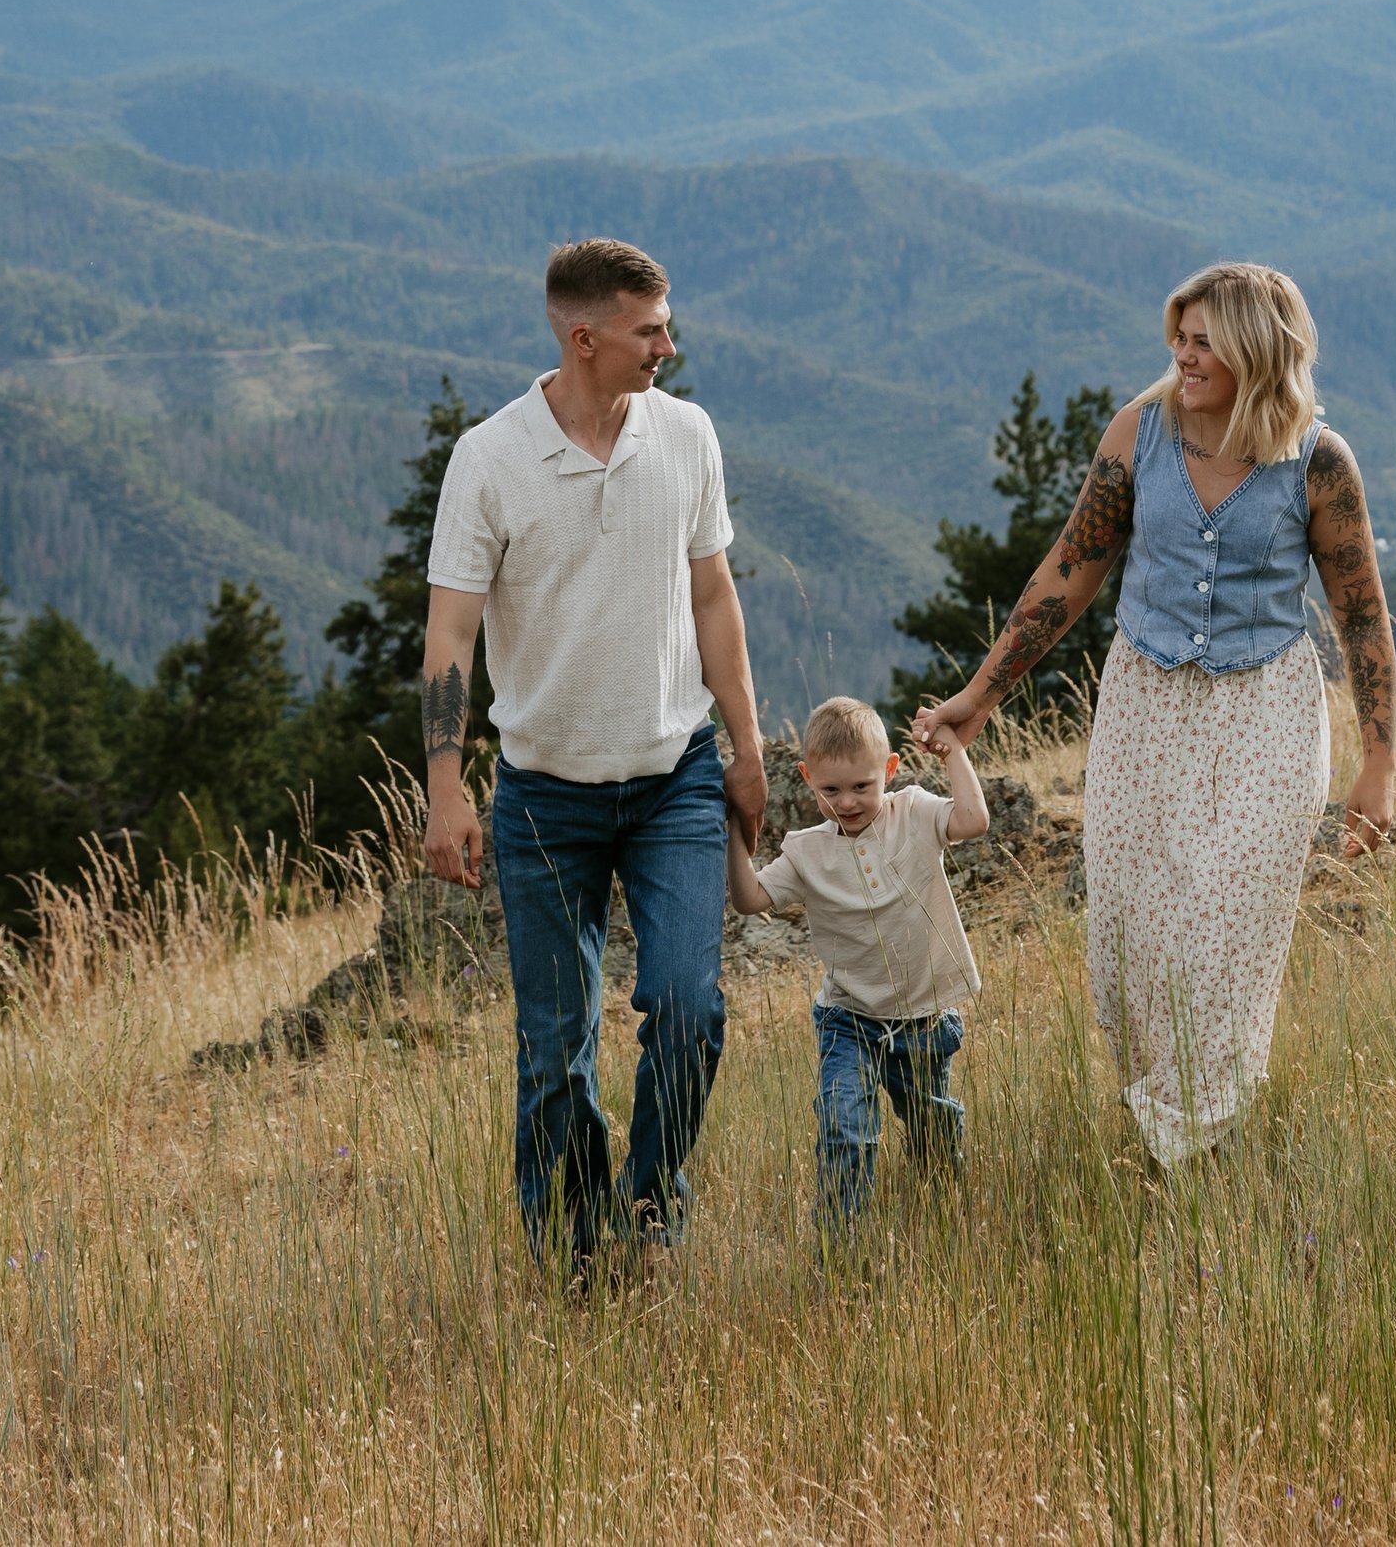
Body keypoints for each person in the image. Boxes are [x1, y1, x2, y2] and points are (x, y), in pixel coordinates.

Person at [914, 262, 1396, 1168]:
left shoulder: (1319, 462)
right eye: (1180, 335)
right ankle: (1174, 1130)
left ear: (1259, 351)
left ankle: (1197, 1154)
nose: (1183, 354)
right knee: (1129, 941)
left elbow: (1361, 612)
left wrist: (1379, 764)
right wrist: (980, 696)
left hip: (1267, 718)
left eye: (1205, 340)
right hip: (1143, 711)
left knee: (1223, 943)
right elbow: (1070, 568)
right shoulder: (1140, 433)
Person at [421, 235, 768, 1271]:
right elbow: (449, 637)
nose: (669, 345)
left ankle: (649, 1214)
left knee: (690, 1009)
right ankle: (573, 1251)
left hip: (675, 780)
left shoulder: (687, 433)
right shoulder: (489, 458)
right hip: (543, 798)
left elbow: (714, 595)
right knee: (554, 1049)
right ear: (584, 339)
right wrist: (446, 791)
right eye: (649, 330)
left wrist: (747, 744)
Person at [725, 694, 989, 1228]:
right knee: (844, 1128)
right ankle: (841, 1237)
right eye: (831, 790)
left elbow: (973, 819)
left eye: (862, 787)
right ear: (807, 778)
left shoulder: (913, 812)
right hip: (848, 1020)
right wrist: (732, 823)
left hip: (923, 1017)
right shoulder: (805, 852)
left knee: (931, 1127)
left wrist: (952, 750)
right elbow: (750, 899)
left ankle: (943, 1208)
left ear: (889, 770)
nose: (846, 802)